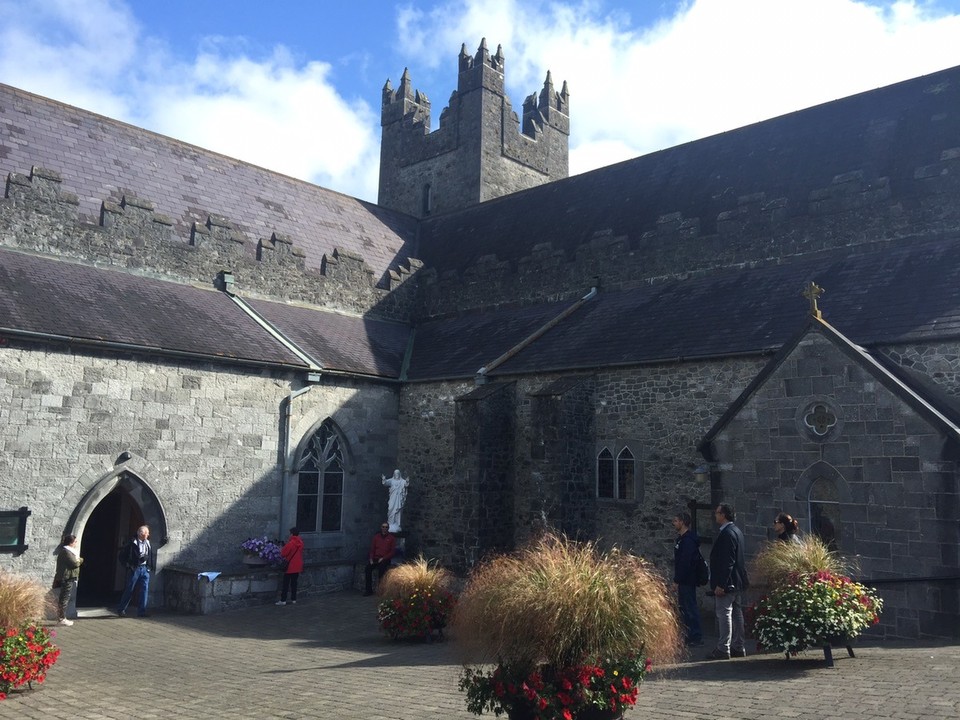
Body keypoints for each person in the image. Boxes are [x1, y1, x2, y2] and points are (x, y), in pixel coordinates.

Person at [706, 504, 749, 660]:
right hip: (738, 581)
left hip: (728, 582)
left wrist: (721, 584)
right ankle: (738, 646)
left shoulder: (727, 534)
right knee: (737, 614)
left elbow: (727, 562)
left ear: (723, 515)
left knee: (724, 613)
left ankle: (724, 648)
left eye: (717, 513)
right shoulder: (737, 531)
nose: (715, 515)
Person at [672, 512, 703, 646]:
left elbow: (685, 562)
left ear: (682, 522)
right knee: (685, 607)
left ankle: (695, 636)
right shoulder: (682, 540)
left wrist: (677, 579)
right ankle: (689, 635)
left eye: (676, 520)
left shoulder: (688, 541)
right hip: (685, 579)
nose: (674, 523)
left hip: (687, 580)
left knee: (690, 607)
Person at [117, 525, 152, 617]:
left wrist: (149, 567)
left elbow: (150, 556)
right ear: (141, 534)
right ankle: (121, 609)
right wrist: (129, 566)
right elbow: (122, 556)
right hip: (135, 569)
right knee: (130, 589)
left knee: (144, 589)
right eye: (146, 533)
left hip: (145, 569)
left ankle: (142, 611)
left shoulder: (148, 543)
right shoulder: (132, 543)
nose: (148, 534)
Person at [53, 533, 83, 626]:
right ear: (71, 542)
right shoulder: (66, 552)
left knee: (65, 597)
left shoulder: (70, 551)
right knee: (64, 598)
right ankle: (61, 618)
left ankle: (61, 617)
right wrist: (81, 560)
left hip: (69, 577)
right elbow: (74, 563)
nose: (76, 543)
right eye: (75, 542)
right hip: (66, 577)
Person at [363, 522, 396, 596]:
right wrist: (371, 558)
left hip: (385, 559)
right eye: (383, 527)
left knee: (381, 571)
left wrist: (384, 558)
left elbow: (392, 552)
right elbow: (372, 549)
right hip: (376, 558)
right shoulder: (376, 537)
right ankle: (368, 590)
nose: (384, 528)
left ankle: (381, 590)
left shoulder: (391, 538)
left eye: (386, 527)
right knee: (367, 569)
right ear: (381, 528)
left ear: (388, 528)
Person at [276, 527, 304, 606]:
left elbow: (283, 553)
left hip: (290, 565)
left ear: (291, 534)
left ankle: (283, 600)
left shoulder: (291, 543)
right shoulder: (301, 542)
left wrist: (282, 548)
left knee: (286, 583)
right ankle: (294, 599)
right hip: (298, 565)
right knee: (294, 583)